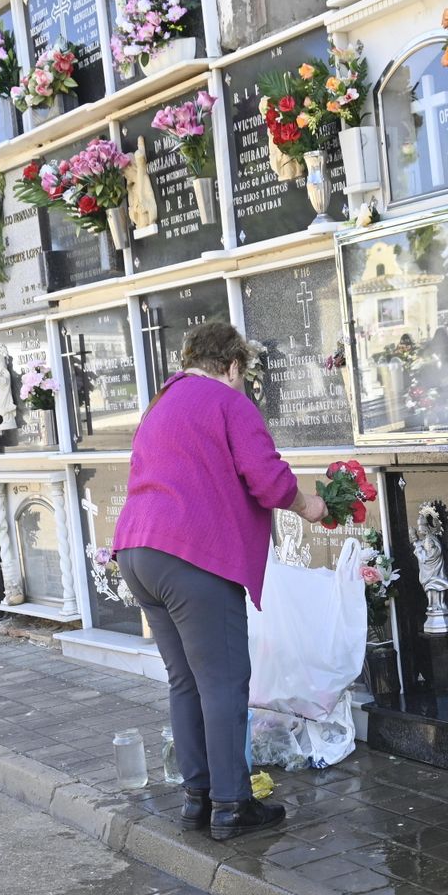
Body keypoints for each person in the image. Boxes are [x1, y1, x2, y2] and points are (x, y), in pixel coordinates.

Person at [113, 322, 328, 841]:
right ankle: (232, 805)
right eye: (242, 372)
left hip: (137, 551)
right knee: (224, 682)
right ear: (232, 366)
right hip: (192, 557)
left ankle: (198, 798)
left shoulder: (160, 404)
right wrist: (310, 506)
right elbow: (267, 477)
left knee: (185, 680)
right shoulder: (228, 402)